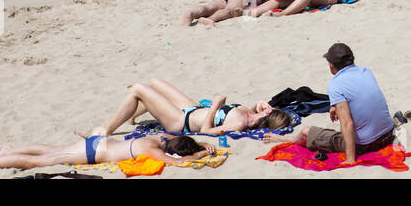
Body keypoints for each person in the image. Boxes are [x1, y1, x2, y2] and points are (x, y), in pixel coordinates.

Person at [275, 44, 396, 164]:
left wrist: (350, 159)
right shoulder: (366, 72)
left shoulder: (336, 85)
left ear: (331, 65)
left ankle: (286, 139)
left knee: (307, 132)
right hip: (388, 135)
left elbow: (347, 123)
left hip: (367, 145)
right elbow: (361, 99)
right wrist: (335, 107)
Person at [91, 79, 290, 137]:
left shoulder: (239, 123)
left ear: (269, 115)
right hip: (191, 109)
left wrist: (214, 108)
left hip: (181, 121)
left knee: (137, 89)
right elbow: (250, 111)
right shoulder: (250, 114)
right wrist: (258, 103)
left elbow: (206, 131)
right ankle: (131, 115)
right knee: (154, 83)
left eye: (272, 109)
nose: (270, 107)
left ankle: (106, 130)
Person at [0, 134, 212, 173]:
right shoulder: (152, 150)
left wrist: (201, 143)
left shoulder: (157, 139)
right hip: (95, 153)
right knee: (40, 161)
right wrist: (199, 154)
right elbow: (176, 162)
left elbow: (177, 143)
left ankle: (10, 150)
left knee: (53, 151)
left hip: (98, 143)